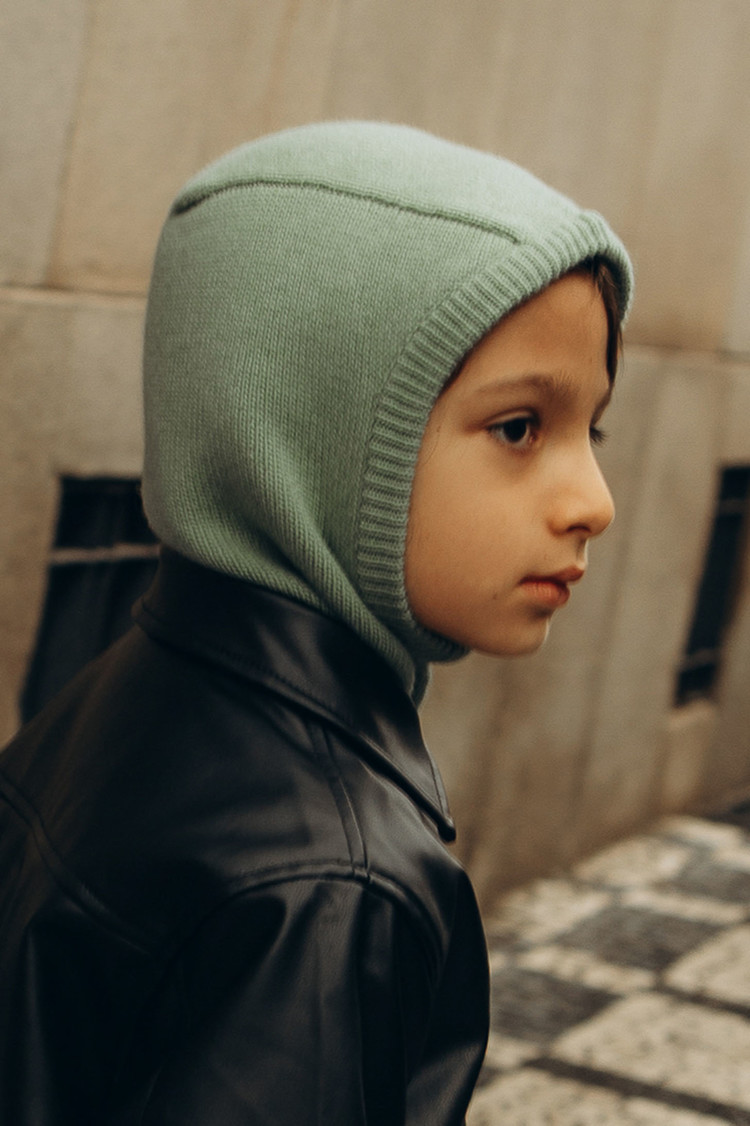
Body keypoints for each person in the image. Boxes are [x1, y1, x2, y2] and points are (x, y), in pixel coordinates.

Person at [0, 121, 632, 1124]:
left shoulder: (128, 688)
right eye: (520, 427)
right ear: (306, 433)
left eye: (591, 428)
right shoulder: (338, 887)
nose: (594, 500)